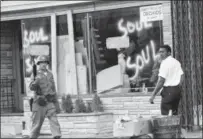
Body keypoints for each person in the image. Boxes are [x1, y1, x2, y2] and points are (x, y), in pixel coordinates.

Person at [29, 55, 61, 139]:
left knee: (54, 121)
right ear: (38, 64)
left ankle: (56, 136)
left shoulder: (50, 74)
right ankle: (32, 137)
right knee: (37, 123)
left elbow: (53, 88)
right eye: (41, 62)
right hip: (39, 102)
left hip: (50, 101)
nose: (43, 64)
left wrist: (56, 103)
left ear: (47, 63)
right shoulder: (35, 74)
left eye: (45, 62)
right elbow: (31, 88)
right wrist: (35, 81)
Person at [149, 45, 184, 115]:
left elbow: (161, 81)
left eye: (163, 52)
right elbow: (182, 75)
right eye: (159, 52)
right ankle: (176, 126)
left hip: (168, 91)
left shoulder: (164, 63)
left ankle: (169, 126)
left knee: (165, 115)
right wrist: (178, 86)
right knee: (174, 114)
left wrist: (153, 95)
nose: (161, 54)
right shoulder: (176, 62)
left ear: (169, 53)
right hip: (176, 91)